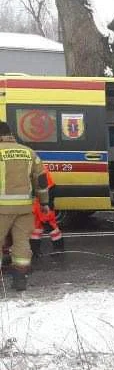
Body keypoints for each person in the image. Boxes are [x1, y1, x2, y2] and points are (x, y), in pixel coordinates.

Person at [0, 120, 47, 291]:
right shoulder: (29, 153)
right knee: (21, 243)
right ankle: (20, 279)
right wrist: (44, 203)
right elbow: (41, 181)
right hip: (24, 209)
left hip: (1, 208)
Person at [30, 163, 63, 262]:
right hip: (38, 201)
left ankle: (58, 249)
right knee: (36, 227)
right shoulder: (33, 167)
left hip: (44, 200)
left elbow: (46, 188)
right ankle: (35, 251)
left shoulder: (37, 169)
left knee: (49, 225)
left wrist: (48, 204)